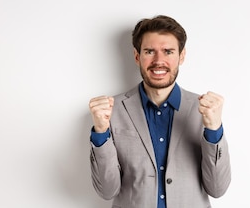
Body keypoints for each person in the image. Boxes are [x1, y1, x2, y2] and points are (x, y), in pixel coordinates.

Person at [87, 15, 231, 208]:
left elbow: (217, 189)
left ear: (181, 56)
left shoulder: (204, 110)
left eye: (168, 51)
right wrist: (101, 132)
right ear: (137, 56)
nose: (159, 60)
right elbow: (106, 191)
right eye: (149, 51)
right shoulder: (112, 110)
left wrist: (214, 129)